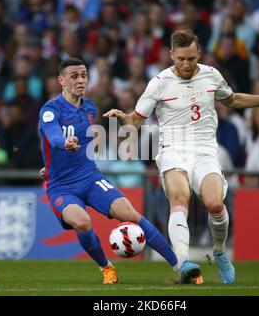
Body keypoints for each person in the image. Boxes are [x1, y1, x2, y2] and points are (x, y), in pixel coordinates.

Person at [103, 29, 259, 284]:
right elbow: (136, 121)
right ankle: (183, 262)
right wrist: (124, 118)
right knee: (179, 201)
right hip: (173, 150)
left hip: (205, 150)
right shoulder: (159, 83)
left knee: (216, 204)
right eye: (181, 58)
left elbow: (232, 100)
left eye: (191, 58)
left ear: (199, 54)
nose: (186, 64)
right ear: (172, 54)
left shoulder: (211, 75)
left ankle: (219, 251)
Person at [38, 58, 179, 285]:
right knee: (82, 222)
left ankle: (180, 265)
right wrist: (63, 145)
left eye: (84, 74)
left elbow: (84, 145)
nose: (81, 79)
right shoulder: (50, 110)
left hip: (90, 177)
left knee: (131, 214)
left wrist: (54, 161)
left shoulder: (90, 109)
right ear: (61, 81)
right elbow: (53, 137)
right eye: (74, 76)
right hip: (61, 186)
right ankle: (107, 268)